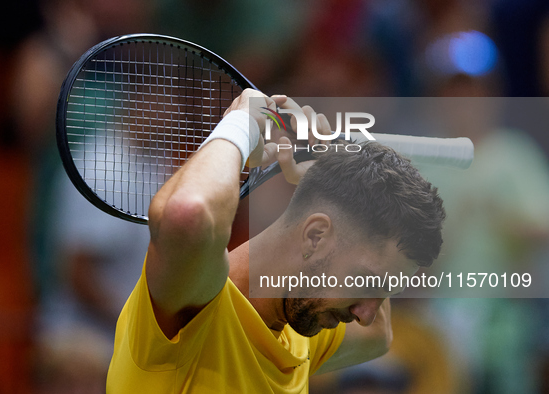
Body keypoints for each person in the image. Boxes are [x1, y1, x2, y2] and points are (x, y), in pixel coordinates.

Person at [106, 89, 446, 393]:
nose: (368, 316)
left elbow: (379, 336)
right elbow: (187, 215)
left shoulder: (301, 330)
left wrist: (339, 160)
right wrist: (240, 126)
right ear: (315, 236)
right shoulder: (196, 308)